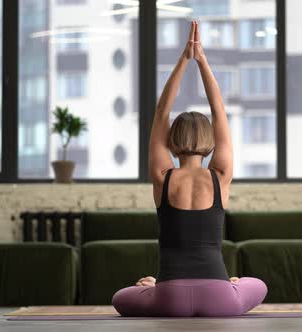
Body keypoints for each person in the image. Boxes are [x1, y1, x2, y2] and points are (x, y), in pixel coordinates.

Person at [111, 20, 267, 317]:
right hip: (220, 299)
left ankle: (152, 286)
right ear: (209, 141)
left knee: (122, 296)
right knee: (257, 284)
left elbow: (162, 111)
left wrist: (184, 60)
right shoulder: (220, 177)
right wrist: (202, 61)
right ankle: (233, 284)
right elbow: (219, 112)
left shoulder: (163, 177)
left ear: (171, 140)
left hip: (170, 298)